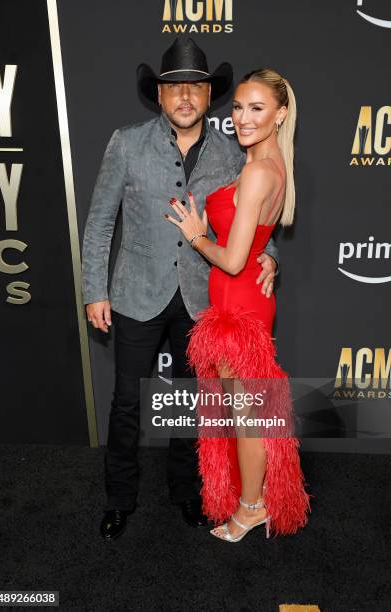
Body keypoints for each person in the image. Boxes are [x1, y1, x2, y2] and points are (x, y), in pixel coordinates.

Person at [81, 38, 279, 541]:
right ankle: (119, 500)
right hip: (134, 296)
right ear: (160, 96)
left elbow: (259, 222)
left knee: (193, 403)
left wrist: (271, 256)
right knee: (127, 402)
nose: (186, 96)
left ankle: (187, 494)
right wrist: (94, 290)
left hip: (203, 300)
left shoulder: (235, 154)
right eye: (175, 88)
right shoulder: (126, 141)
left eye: (196, 86)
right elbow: (101, 221)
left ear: (209, 94)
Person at [165, 68, 311, 541]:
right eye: (239, 107)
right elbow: (252, 246)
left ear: (280, 114)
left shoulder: (255, 171)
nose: (243, 118)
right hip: (247, 300)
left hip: (237, 307)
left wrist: (197, 235)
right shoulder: (273, 166)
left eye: (257, 108)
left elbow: (229, 260)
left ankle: (252, 508)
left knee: (246, 417)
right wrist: (266, 259)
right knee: (246, 413)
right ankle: (256, 499)